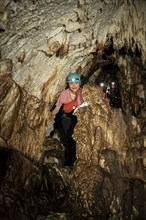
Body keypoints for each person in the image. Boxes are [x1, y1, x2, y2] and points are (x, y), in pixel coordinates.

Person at [52, 73, 83, 166]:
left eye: (76, 83)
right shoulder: (64, 94)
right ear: (68, 84)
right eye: (71, 83)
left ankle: (80, 159)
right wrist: (48, 117)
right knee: (68, 138)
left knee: (79, 138)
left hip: (79, 118)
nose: (74, 86)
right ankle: (70, 160)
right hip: (67, 117)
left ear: (80, 83)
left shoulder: (83, 92)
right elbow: (57, 108)